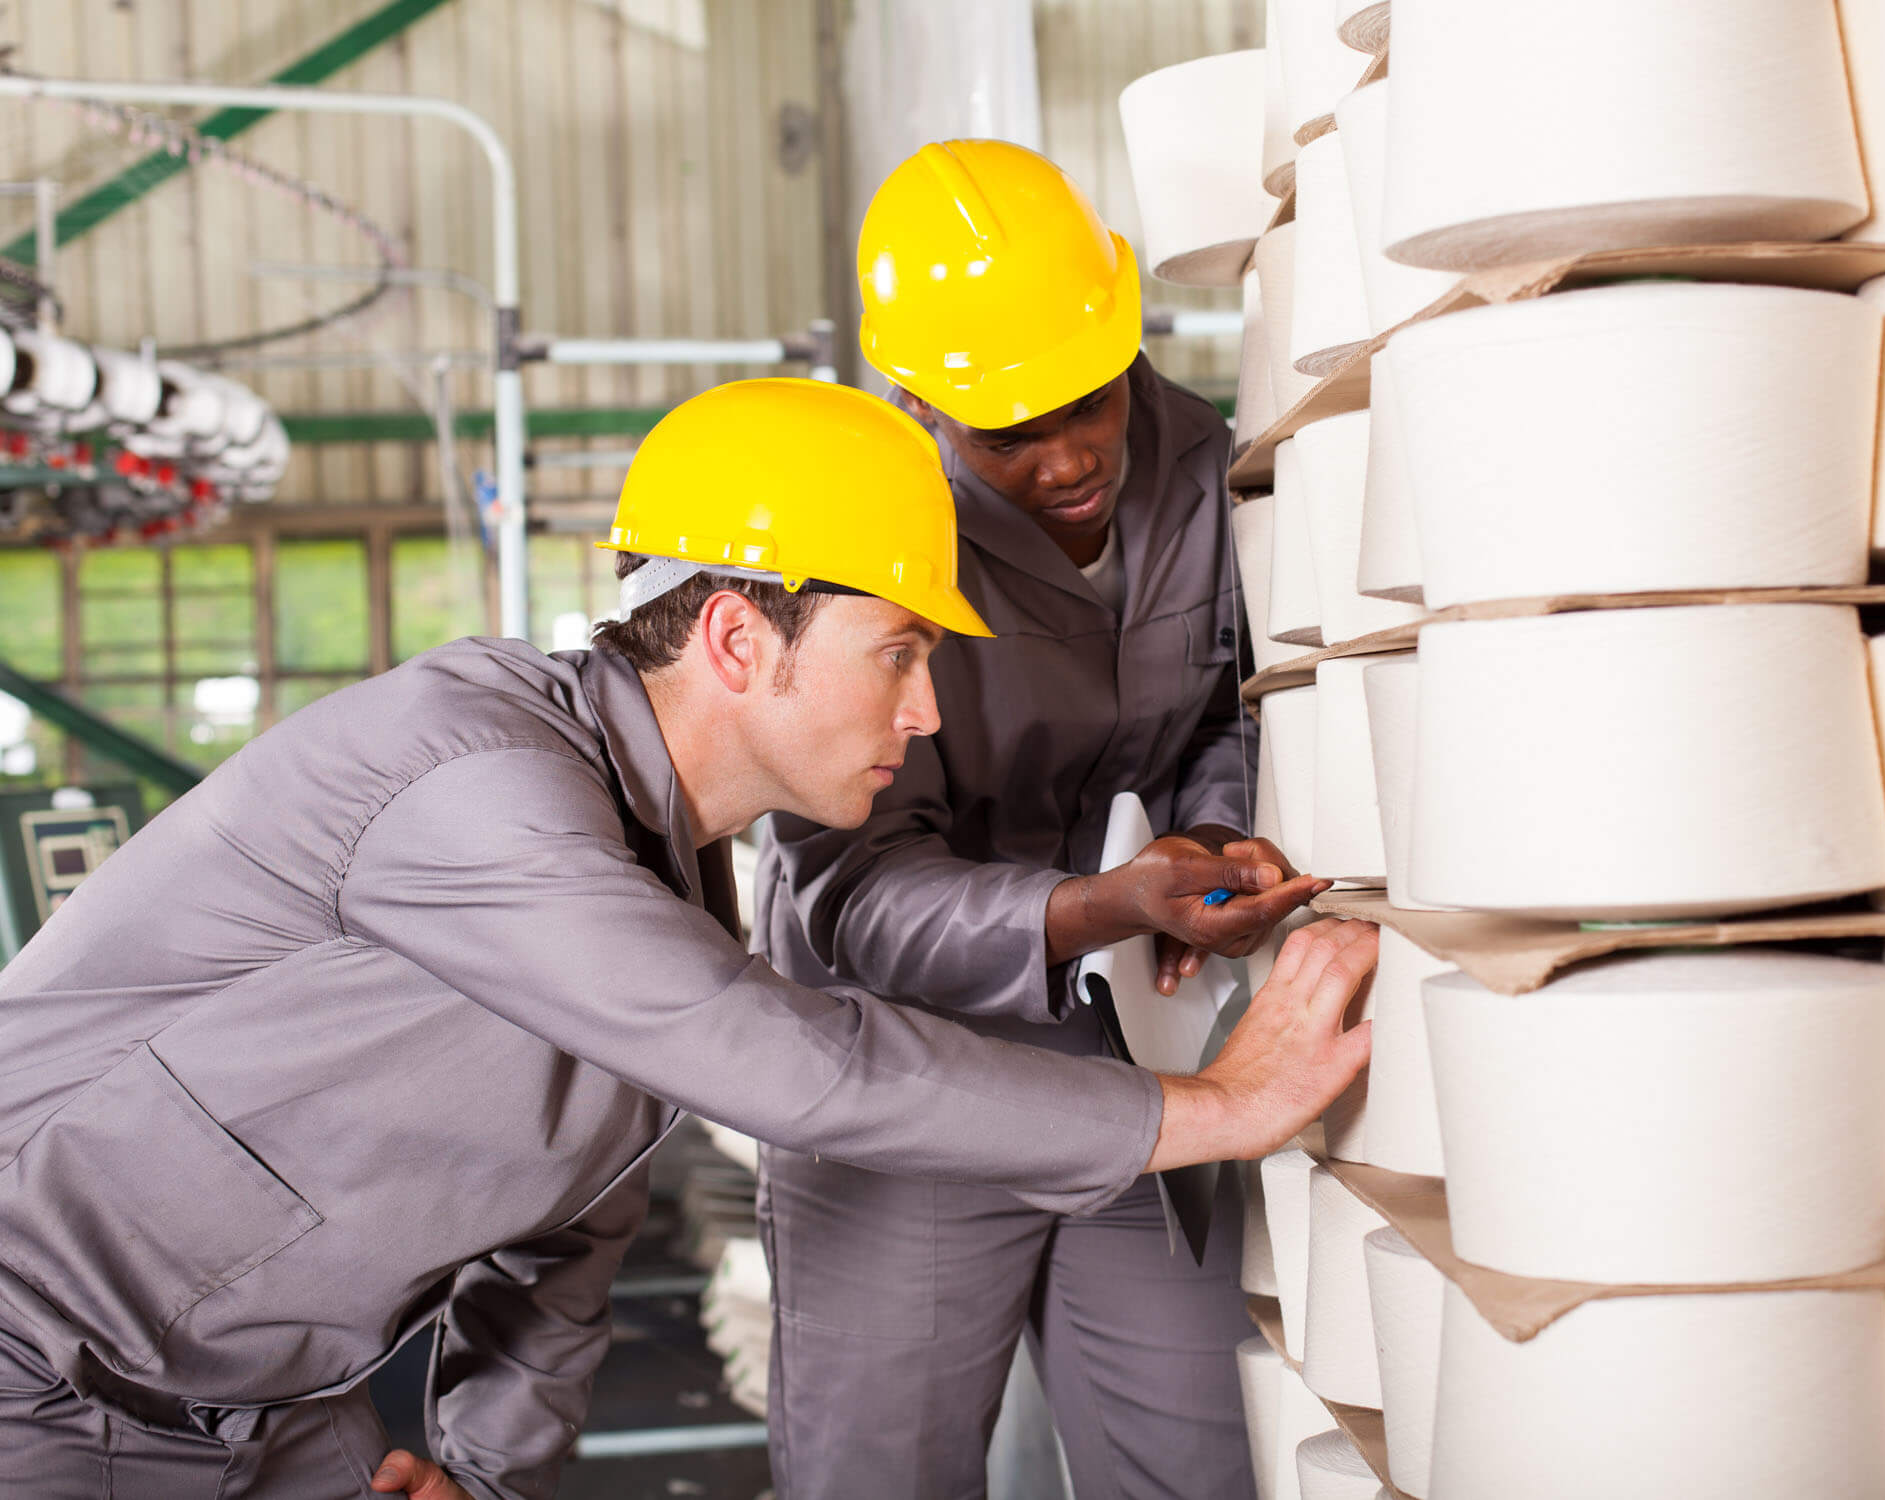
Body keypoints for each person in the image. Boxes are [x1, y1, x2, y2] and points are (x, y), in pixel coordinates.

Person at [0, 378, 1376, 1500]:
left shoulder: (662, 871)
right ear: (734, 638)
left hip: (268, 1414)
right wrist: (1210, 1107)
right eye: (899, 654)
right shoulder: (474, 778)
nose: (928, 714)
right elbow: (794, 1064)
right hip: (33, 1386)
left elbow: (564, 1233)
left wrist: (484, 1471)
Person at [756, 141, 1313, 1500]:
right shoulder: (852, 544)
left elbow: (1231, 706)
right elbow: (854, 894)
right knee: (879, 1473)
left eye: (1086, 401)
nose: (1067, 459)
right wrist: (1101, 906)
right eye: (1009, 430)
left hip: (1126, 1057)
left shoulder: (1202, 463)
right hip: (899, 1082)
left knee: (1196, 1457)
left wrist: (1210, 841)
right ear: (914, 397)